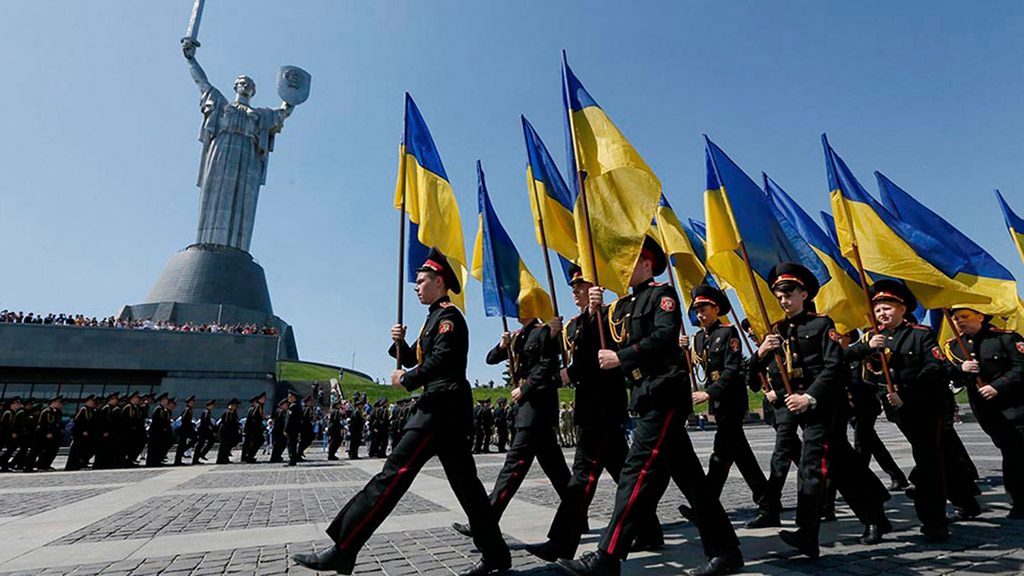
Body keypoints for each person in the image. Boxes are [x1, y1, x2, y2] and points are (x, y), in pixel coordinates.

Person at [292, 247, 511, 576]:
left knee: (391, 477)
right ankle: (496, 555)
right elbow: (418, 359)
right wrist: (401, 345)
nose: (417, 287)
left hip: (440, 408)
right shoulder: (434, 319)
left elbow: (441, 363)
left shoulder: (449, 318)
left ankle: (344, 548)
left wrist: (405, 379)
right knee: (468, 488)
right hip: (445, 408)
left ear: (439, 282)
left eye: (421, 282)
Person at [558, 238, 742, 576]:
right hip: (644, 395)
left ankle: (607, 557)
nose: (621, 267)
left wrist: (623, 357)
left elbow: (663, 337)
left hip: (666, 393)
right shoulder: (621, 306)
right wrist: (591, 311)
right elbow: (589, 348)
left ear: (646, 262)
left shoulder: (663, 295)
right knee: (692, 480)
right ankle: (727, 551)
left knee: (635, 470)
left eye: (628, 259)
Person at [525, 263, 664, 563]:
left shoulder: (610, 315)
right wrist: (552, 338)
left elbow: (597, 354)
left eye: (580, 286)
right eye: (573, 288)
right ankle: (650, 530)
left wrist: (570, 372)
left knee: (582, 478)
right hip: (592, 408)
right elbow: (568, 351)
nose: (575, 292)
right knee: (622, 473)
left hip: (604, 406)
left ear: (595, 287)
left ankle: (561, 543)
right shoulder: (578, 321)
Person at [755, 264, 891, 558]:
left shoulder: (821, 325)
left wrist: (810, 397)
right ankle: (876, 515)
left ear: (804, 294)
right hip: (798, 409)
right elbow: (756, 375)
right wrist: (761, 353)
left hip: (825, 406)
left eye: (789, 293)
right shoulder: (777, 330)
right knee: (842, 468)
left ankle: (807, 534)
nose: (784, 300)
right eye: (779, 295)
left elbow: (834, 367)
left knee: (811, 466)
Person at [848, 280, 981, 542]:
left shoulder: (920, 334)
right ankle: (966, 500)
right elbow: (845, 359)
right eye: (877, 310)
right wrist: (867, 347)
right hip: (901, 414)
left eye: (887, 308)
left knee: (929, 463)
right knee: (939, 460)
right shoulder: (873, 337)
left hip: (929, 409)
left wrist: (905, 394)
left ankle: (934, 522)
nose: (882, 314)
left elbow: (933, 369)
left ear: (902, 308)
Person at [452, 310, 570, 537]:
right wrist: (501, 344)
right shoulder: (517, 337)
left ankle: (483, 521)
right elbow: (491, 359)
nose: (517, 311)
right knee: (557, 470)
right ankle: (577, 513)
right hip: (526, 407)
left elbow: (548, 364)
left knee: (513, 465)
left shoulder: (544, 331)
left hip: (538, 404)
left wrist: (525, 388)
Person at [683, 285, 766, 508]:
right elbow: (692, 367)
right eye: (697, 310)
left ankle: (705, 505)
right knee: (741, 454)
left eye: (704, 309)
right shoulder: (698, 338)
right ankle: (767, 500)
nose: (700, 314)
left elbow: (732, 370)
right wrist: (682, 350)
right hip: (718, 402)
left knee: (720, 454)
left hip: (732, 399)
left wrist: (708, 393)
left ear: (716, 308)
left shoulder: (728, 332)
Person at [943, 305, 1024, 519]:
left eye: (965, 316)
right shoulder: (954, 346)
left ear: (980, 316)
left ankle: (1019, 502)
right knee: (1010, 449)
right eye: (956, 318)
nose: (960, 321)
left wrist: (999, 385)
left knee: (1014, 452)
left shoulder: (1004, 338)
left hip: (1015, 405)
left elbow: (1021, 366)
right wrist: (961, 370)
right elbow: (948, 374)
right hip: (986, 411)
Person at [841, 330, 908, 491]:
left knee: (862, 444)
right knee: (872, 443)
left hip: (865, 405)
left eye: (839, 335)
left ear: (848, 338)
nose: (835, 339)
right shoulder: (834, 356)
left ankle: (860, 480)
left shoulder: (860, 353)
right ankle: (896, 475)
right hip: (848, 406)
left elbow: (871, 379)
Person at [66, 394, 97, 471]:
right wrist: (82, 430)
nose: (93, 403)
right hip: (79, 435)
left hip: (86, 435)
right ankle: (72, 465)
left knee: (84, 450)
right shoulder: (83, 410)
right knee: (76, 451)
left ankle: (80, 463)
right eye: (92, 401)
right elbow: (78, 422)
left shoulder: (90, 410)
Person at [94, 392, 121, 470]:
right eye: (115, 399)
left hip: (111, 433)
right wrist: (104, 431)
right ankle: (100, 464)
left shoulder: (112, 408)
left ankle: (107, 463)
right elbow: (103, 421)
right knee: (102, 449)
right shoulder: (106, 408)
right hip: (104, 433)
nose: (116, 401)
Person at [146, 393, 174, 467]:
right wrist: (162, 428)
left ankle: (156, 460)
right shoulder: (158, 409)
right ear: (162, 400)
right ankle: (151, 462)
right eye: (166, 399)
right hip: (156, 432)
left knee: (158, 447)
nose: (167, 401)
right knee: (153, 447)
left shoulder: (162, 409)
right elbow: (157, 421)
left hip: (159, 432)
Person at [0, 397, 24, 472]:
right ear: (12, 404)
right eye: (16, 403)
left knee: (11, 449)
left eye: (19, 403)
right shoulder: (8, 413)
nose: (18, 405)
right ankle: (3, 463)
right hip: (5, 435)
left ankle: (4, 464)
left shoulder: (14, 413)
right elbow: (5, 425)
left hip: (9, 435)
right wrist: (11, 433)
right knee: (10, 449)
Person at [242, 392, 267, 463]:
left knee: (258, 442)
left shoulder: (259, 406)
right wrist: (260, 427)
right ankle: (250, 457)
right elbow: (255, 418)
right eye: (264, 398)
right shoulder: (258, 406)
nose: (265, 400)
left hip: (255, 429)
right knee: (258, 442)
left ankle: (250, 456)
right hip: (255, 429)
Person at [216, 398, 242, 464]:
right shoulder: (228, 412)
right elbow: (228, 423)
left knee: (228, 445)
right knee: (224, 446)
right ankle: (221, 459)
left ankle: (225, 458)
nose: (236, 407)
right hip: (225, 431)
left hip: (229, 432)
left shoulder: (233, 412)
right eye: (236, 405)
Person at [174, 396, 197, 466]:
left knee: (193, 440)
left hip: (187, 429)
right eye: (192, 401)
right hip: (184, 429)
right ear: (189, 402)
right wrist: (190, 424)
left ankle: (181, 453)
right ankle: (178, 459)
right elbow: (183, 419)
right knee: (182, 445)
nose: (193, 403)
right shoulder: (187, 409)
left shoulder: (189, 409)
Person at [193, 399, 217, 464]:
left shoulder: (208, 411)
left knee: (205, 443)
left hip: (205, 430)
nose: (214, 406)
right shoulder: (206, 412)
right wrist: (212, 429)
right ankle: (197, 457)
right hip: (204, 431)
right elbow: (206, 422)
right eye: (213, 405)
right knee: (201, 444)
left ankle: (200, 455)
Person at [286, 390, 304, 466]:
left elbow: (289, 420)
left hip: (291, 429)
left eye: (290, 396)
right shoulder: (297, 406)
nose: (288, 398)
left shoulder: (293, 406)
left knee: (291, 444)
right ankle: (292, 458)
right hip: (295, 428)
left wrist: (286, 429)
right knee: (292, 444)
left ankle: (292, 459)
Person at [269, 398, 290, 463]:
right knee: (279, 444)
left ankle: (277, 456)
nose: (287, 406)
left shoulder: (281, 411)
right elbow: (279, 422)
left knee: (280, 444)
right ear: (282, 405)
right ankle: (275, 457)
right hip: (279, 431)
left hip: (279, 431)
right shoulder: (280, 411)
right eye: (286, 405)